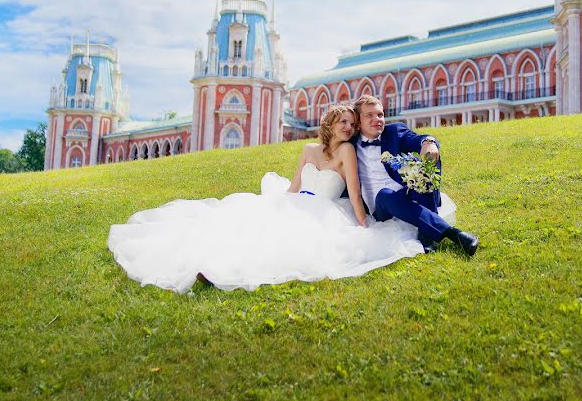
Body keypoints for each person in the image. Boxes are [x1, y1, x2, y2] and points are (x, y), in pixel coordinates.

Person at [107, 105, 422, 293]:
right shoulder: (309, 150)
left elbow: (353, 191)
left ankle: (218, 272)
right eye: (344, 122)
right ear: (329, 124)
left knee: (282, 247)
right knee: (248, 224)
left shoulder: (347, 151)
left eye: (352, 125)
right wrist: (276, 205)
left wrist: (362, 223)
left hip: (323, 212)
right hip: (296, 202)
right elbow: (296, 184)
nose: (349, 127)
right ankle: (209, 262)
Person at [351, 95, 479, 255]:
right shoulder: (350, 144)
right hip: (382, 207)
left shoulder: (394, 132)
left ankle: (427, 235)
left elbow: (417, 138)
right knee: (385, 195)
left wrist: (429, 143)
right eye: (369, 115)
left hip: (410, 195)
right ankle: (453, 234)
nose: (377, 119)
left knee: (425, 163)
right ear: (358, 122)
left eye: (380, 115)